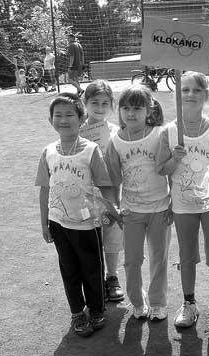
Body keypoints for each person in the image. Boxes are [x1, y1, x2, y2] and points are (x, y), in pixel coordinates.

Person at [35, 93, 119, 337]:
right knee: (69, 269)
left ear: (81, 119)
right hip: (59, 223)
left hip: (87, 225)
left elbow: (105, 185)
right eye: (57, 115)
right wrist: (44, 224)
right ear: (51, 120)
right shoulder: (48, 152)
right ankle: (77, 313)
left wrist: (110, 212)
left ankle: (96, 309)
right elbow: (45, 190)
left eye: (70, 114)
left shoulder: (91, 150)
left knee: (92, 269)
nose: (63, 120)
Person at [156, 71, 209, 328]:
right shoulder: (169, 131)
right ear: (176, 94)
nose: (190, 94)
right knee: (187, 255)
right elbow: (162, 169)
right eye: (184, 89)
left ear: (206, 96)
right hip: (182, 205)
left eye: (196, 90)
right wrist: (174, 159)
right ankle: (189, 303)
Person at [105, 85, 170, 321]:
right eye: (125, 108)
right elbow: (113, 179)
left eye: (137, 108)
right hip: (131, 212)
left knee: (159, 259)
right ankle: (137, 301)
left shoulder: (160, 134)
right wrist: (113, 206)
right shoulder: (115, 142)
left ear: (149, 109)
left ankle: (158, 302)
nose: (131, 114)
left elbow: (170, 169)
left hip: (160, 209)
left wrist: (172, 203)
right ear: (119, 111)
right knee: (132, 260)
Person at [80, 80, 124, 303]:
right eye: (94, 102)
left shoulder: (117, 132)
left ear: (111, 105)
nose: (99, 107)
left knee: (112, 233)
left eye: (105, 103)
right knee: (90, 235)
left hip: (111, 193)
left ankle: (112, 277)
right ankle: (94, 280)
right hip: (85, 195)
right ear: (84, 103)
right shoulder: (77, 132)